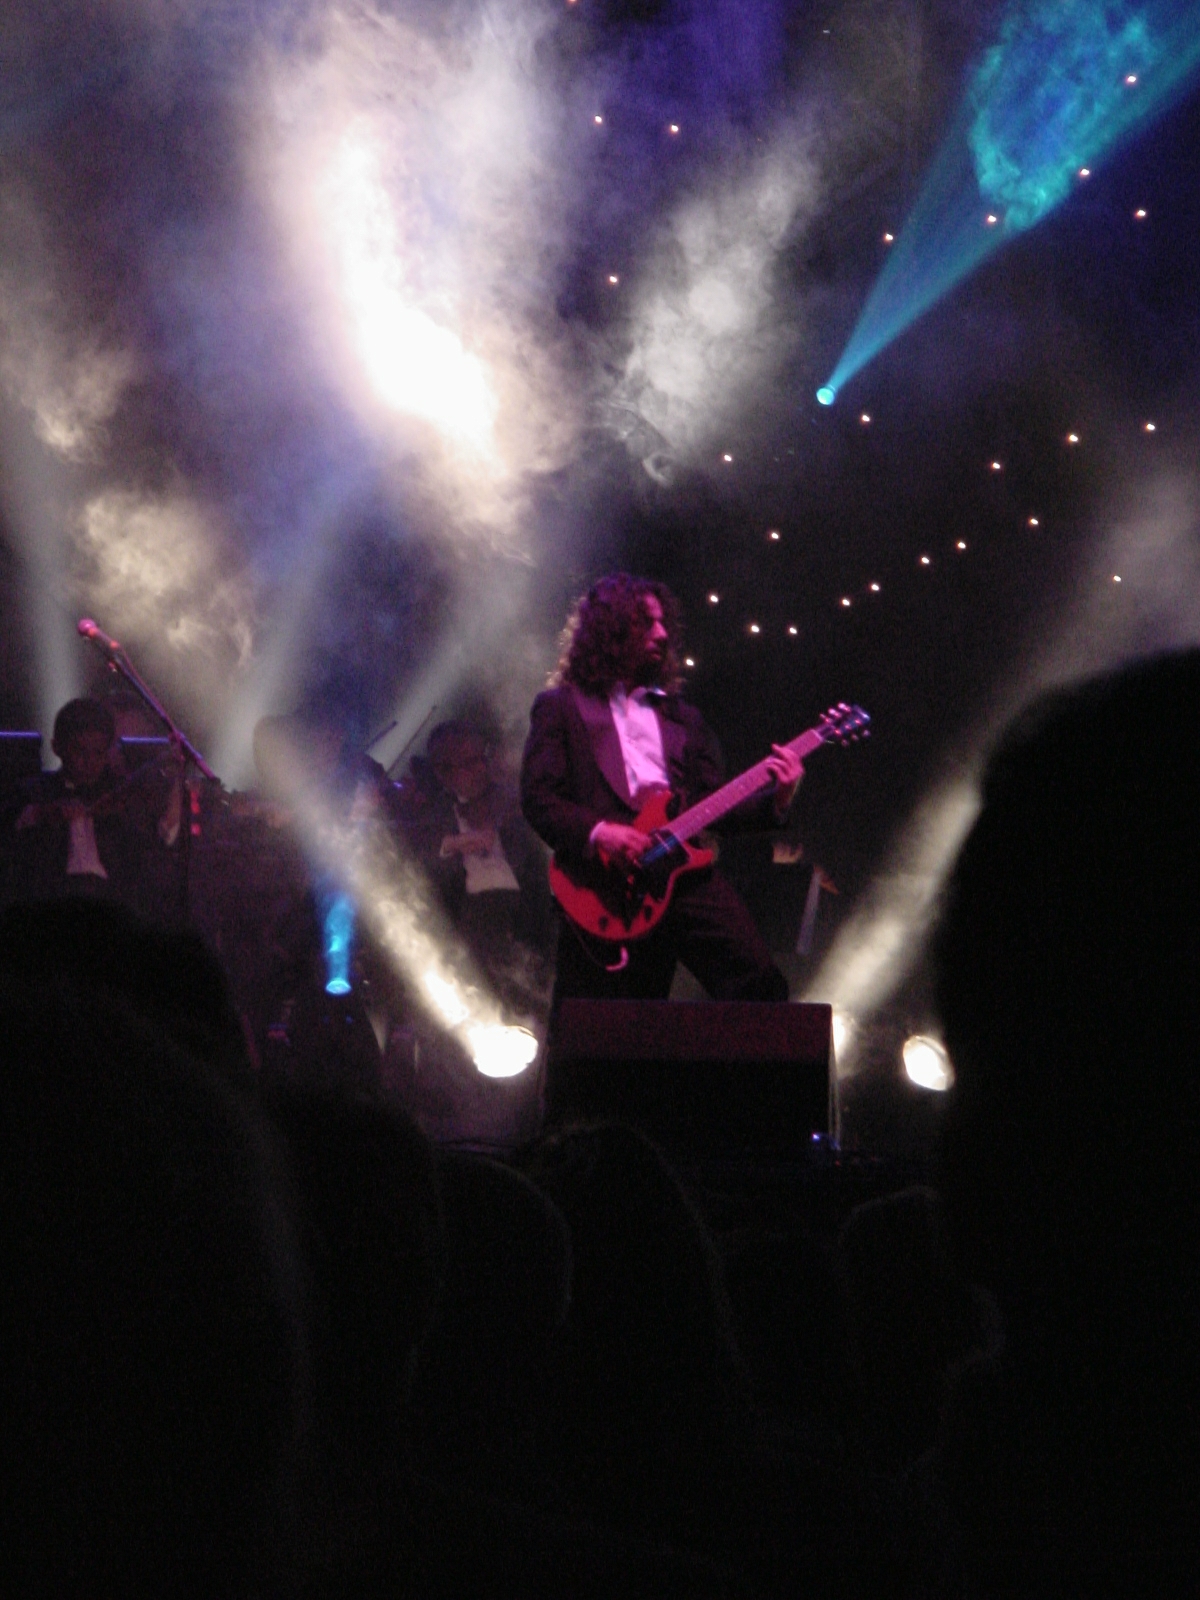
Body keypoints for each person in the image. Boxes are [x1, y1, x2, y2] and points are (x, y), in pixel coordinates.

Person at [520, 573, 802, 1004]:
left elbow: (712, 805)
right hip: (603, 882)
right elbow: (540, 798)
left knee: (760, 986)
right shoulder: (562, 707)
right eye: (646, 623)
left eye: (663, 623)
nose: (662, 634)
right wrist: (601, 833)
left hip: (681, 873)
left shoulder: (683, 718)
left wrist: (778, 798)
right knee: (601, 1023)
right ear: (611, 629)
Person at [404, 720, 552, 1016]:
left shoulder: (514, 797)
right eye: (450, 767)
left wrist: (505, 823)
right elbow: (416, 847)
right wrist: (453, 843)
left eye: (473, 761)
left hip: (527, 907)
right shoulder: (434, 813)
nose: (465, 773)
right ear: (440, 773)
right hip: (475, 918)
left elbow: (537, 849)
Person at [6, 697, 181, 914]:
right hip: (52, 903)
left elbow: (161, 837)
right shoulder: (34, 791)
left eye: (98, 753)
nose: (89, 762)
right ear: (57, 747)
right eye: (80, 751)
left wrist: (176, 788)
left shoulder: (120, 793)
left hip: (112, 902)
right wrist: (45, 813)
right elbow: (12, 828)